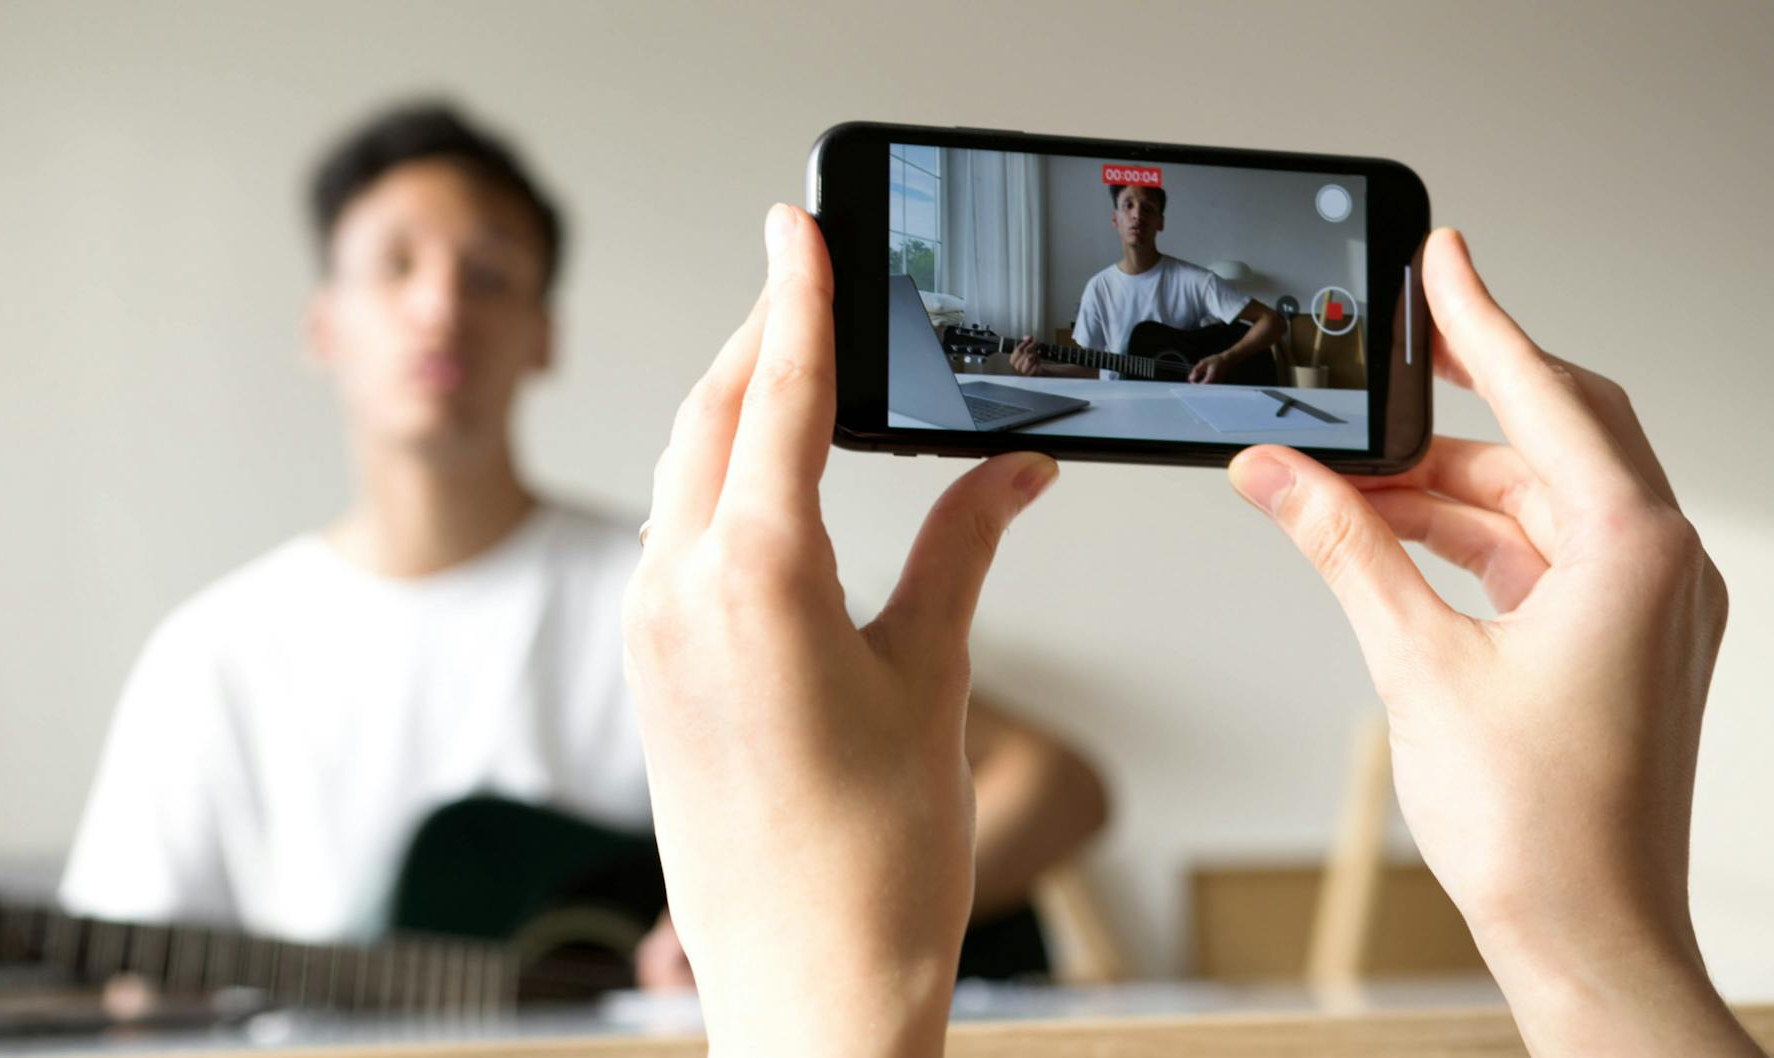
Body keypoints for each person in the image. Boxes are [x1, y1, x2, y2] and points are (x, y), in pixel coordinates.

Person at [622, 206, 1765, 1056]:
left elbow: (1263, 319)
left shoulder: (1186, 280)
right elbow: (1076, 352)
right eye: (1119, 206)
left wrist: (795, 1001)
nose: (1131, 219)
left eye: (1141, 206)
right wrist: (1609, 956)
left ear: (1156, 215)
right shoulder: (1099, 298)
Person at [55, 103, 1106, 988]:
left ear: (542, 332)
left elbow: (1056, 782)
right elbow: (124, 980)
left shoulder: (676, 587)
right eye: (393, 266)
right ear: (322, 324)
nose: (438, 305)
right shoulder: (212, 657)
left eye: (489, 273)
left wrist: (801, 937)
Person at [1010, 183, 1284, 384]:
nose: (1137, 214)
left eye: (1148, 207)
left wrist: (1226, 360)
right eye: (1128, 205)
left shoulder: (1195, 281)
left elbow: (1273, 322)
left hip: (1181, 410)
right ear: (1115, 219)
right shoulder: (1098, 288)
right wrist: (1041, 370)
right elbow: (1098, 369)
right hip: (1118, 413)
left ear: (1160, 222)